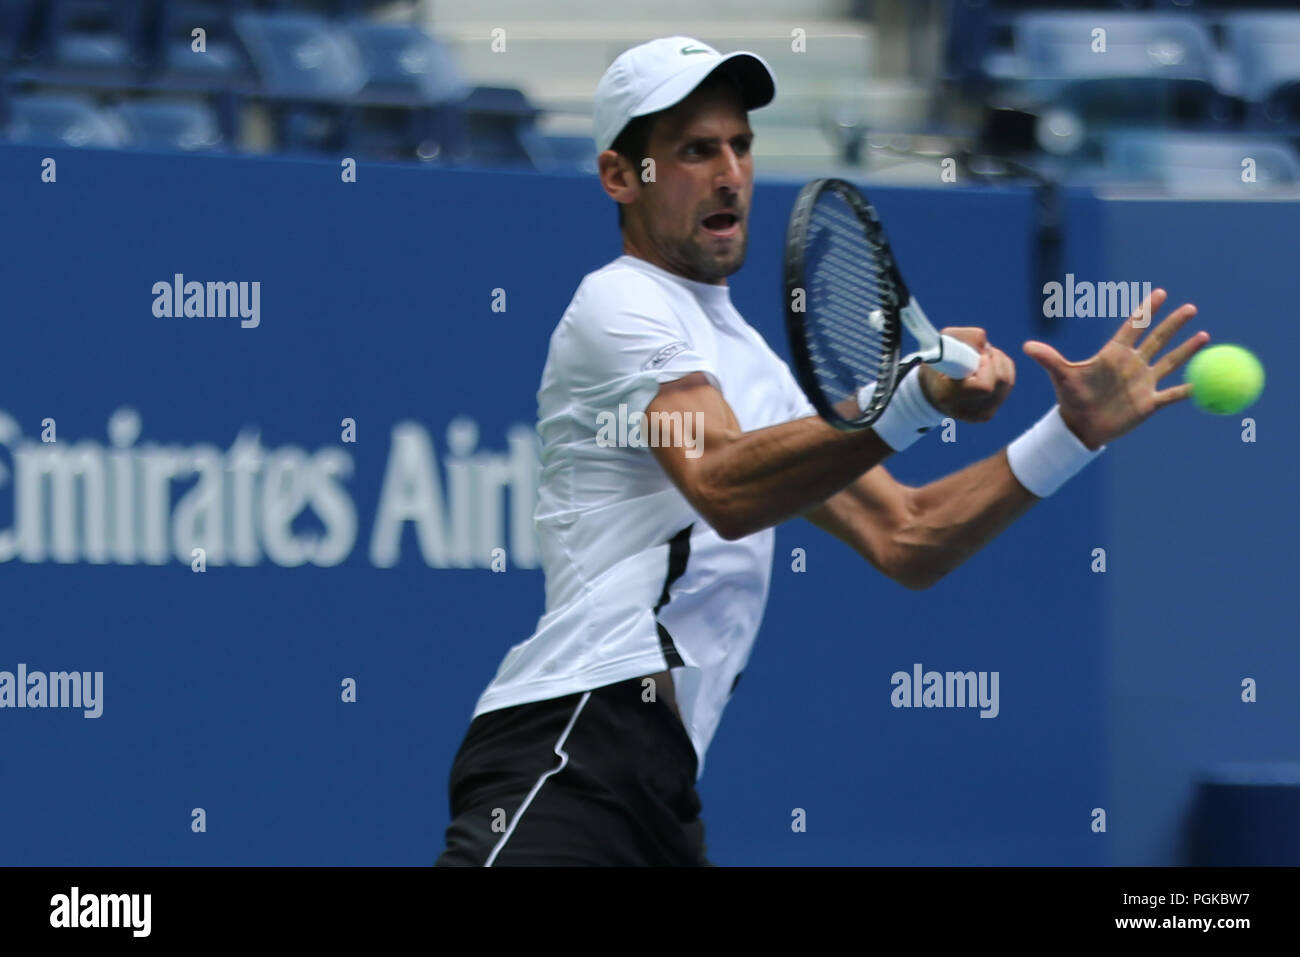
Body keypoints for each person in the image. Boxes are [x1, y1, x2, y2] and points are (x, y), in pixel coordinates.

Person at [435, 36, 1207, 867]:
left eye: (740, 145)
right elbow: (722, 485)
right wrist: (907, 399)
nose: (729, 171)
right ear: (621, 176)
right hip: (572, 741)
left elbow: (907, 534)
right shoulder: (620, 302)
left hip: (660, 783)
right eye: (694, 150)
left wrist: (1070, 434)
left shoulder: (754, 365)